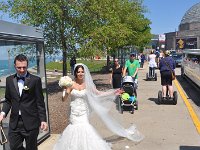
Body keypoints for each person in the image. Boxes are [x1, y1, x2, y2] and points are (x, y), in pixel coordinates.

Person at [54, 63, 143, 150]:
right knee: (74, 128)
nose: (80, 74)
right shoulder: (71, 84)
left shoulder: (87, 85)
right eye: (78, 72)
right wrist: (66, 90)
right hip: (74, 111)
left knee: (85, 127)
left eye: (82, 72)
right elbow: (63, 99)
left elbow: (99, 93)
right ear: (75, 73)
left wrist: (114, 92)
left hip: (84, 111)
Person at [0, 54, 48, 150]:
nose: (22, 70)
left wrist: (43, 119)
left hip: (31, 122)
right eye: (19, 67)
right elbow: (8, 100)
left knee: (31, 148)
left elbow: (40, 102)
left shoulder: (35, 80)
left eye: (24, 67)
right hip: (15, 123)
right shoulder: (9, 80)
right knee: (14, 147)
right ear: (14, 66)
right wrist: (3, 113)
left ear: (27, 65)